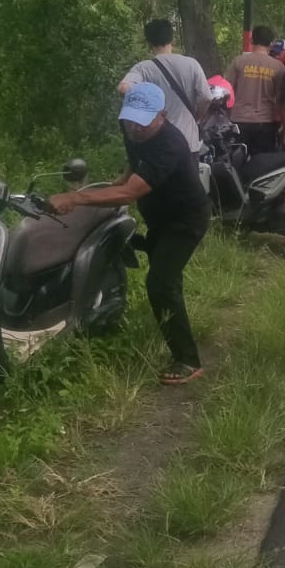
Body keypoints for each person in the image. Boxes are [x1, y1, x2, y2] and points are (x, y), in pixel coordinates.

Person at [49, 83, 209, 385]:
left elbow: (130, 194)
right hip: (160, 219)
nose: (134, 126)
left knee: (160, 283)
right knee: (160, 268)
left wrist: (76, 198)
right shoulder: (133, 128)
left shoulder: (170, 144)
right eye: (129, 118)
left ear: (162, 115)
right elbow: (133, 164)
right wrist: (116, 181)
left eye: (142, 120)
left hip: (186, 221)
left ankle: (188, 360)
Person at [120, 19, 211, 154]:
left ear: (149, 42)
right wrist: (196, 117)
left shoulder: (143, 68)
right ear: (172, 39)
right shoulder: (192, 64)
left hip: (157, 143)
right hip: (188, 142)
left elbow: (123, 88)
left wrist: (146, 106)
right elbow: (206, 97)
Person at [226, 25, 285, 156]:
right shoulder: (278, 67)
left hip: (240, 120)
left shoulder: (239, 62)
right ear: (270, 43)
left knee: (237, 163)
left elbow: (227, 90)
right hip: (266, 122)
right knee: (263, 164)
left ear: (251, 40)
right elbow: (280, 96)